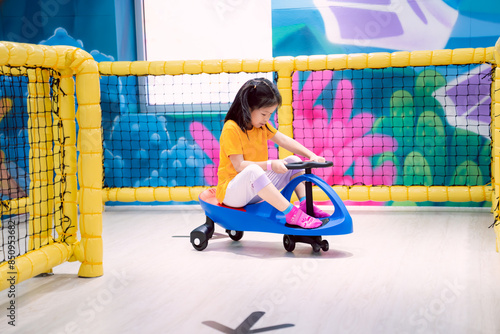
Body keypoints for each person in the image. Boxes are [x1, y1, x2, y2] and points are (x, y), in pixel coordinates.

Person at [216, 77, 329, 229]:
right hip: (232, 193)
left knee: (293, 161)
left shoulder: (261, 126)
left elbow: (284, 140)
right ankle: (292, 214)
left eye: (270, 114)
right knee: (252, 170)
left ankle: (305, 204)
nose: (267, 119)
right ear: (248, 107)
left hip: (254, 192)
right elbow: (239, 166)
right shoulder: (232, 128)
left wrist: (311, 155)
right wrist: (270, 165)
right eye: (264, 114)